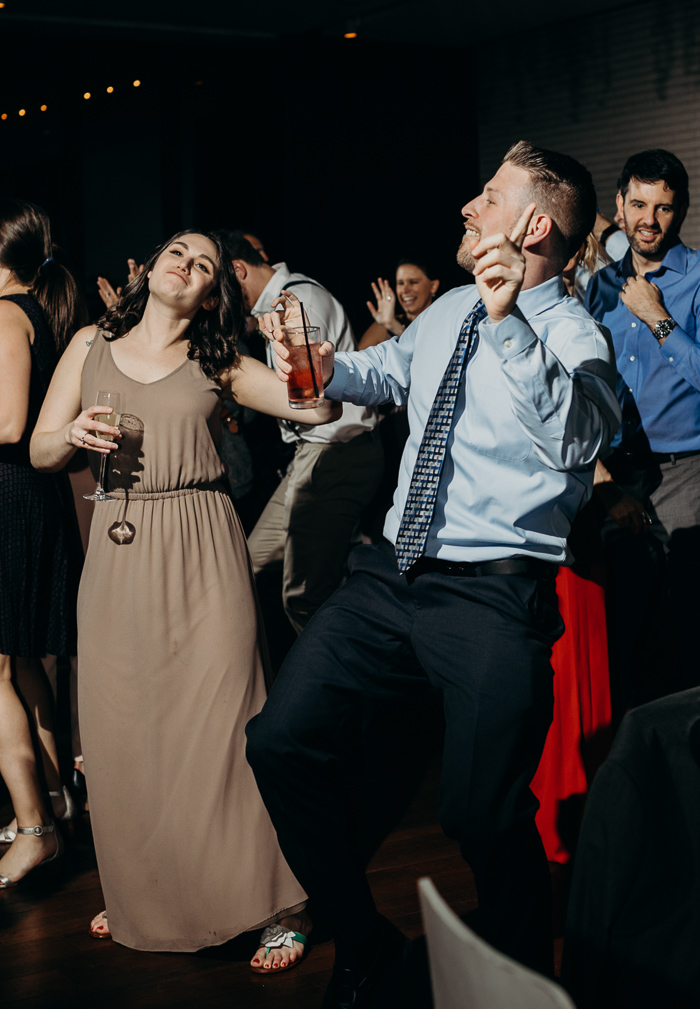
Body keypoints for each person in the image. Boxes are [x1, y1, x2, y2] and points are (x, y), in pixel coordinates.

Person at [246, 140, 620, 1007]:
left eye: (488, 195)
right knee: (279, 742)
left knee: (482, 815)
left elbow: (581, 436)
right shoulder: (449, 307)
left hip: (493, 593)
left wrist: (508, 322)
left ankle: (525, 986)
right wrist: (318, 362)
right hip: (390, 574)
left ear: (532, 225)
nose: (467, 206)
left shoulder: (572, 329)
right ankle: (366, 940)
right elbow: (383, 374)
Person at [30, 229, 339, 967]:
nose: (188, 265)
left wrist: (293, 346)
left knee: (229, 728)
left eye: (204, 264)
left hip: (203, 545)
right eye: (179, 251)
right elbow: (40, 447)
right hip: (117, 547)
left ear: (211, 292)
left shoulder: (217, 360)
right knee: (124, 729)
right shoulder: (87, 346)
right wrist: (70, 431)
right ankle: (148, 888)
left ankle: (279, 902)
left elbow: (313, 413)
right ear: (153, 267)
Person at [217, 230, 384, 634]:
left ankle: (339, 686)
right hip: (310, 455)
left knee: (305, 595)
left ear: (238, 270)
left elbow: (312, 397)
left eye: (223, 284)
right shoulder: (278, 304)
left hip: (336, 450)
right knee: (247, 566)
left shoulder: (296, 302)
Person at [585, 149, 700, 716]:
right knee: (625, 633)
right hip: (618, 479)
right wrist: (602, 479)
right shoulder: (599, 286)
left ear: (679, 213)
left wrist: (659, 320)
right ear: (620, 208)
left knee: (686, 630)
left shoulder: (699, 280)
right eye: (638, 205)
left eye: (663, 208)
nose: (649, 220)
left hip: (686, 475)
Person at [0, 199, 85, 888]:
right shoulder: (39, 309)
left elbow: (6, 423)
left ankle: (34, 827)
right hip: (31, 500)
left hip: (9, 499)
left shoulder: (5, 312)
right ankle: (56, 799)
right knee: (22, 660)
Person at [359, 258, 440, 349]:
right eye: (401, 283)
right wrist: (390, 323)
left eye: (413, 282)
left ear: (433, 286)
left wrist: (395, 327)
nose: (405, 290)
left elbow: (427, 354)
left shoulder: (442, 323)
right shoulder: (383, 326)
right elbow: (356, 360)